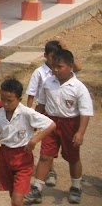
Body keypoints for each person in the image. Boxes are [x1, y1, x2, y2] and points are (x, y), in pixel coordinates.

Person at [25, 49, 94, 204]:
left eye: (60, 67)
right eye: (54, 66)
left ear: (70, 66)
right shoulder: (48, 82)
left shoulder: (78, 87)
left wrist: (80, 132)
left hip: (70, 124)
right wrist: (34, 122)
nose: (55, 70)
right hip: (50, 124)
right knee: (45, 156)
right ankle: (37, 188)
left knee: (73, 157)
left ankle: (76, 186)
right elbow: (41, 103)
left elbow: (85, 112)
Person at [0, 78, 55, 206]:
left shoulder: (26, 112)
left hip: (23, 158)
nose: (5, 103)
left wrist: (34, 140)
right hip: (5, 157)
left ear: (19, 100)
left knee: (17, 200)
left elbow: (51, 125)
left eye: (9, 101)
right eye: (2, 99)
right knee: (13, 196)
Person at [26, 40, 62, 186]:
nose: (54, 60)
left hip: (58, 112)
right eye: (52, 57)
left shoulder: (61, 71)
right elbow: (31, 93)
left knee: (56, 144)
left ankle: (50, 169)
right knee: (48, 143)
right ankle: (50, 171)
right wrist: (29, 114)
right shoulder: (39, 73)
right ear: (46, 56)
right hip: (44, 112)